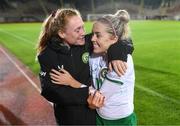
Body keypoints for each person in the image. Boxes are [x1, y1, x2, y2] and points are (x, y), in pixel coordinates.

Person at [37, 8, 130, 125]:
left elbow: (119, 37)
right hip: (69, 118)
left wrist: (117, 53)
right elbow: (50, 91)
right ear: (62, 33)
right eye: (77, 30)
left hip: (93, 114)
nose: (83, 33)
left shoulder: (86, 42)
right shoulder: (48, 55)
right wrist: (89, 94)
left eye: (82, 27)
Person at [89, 10, 137, 125]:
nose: (92, 39)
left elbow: (100, 98)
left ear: (114, 38)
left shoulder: (122, 61)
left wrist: (74, 83)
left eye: (98, 35)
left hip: (121, 120)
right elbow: (89, 82)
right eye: (92, 34)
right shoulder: (93, 55)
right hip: (99, 116)